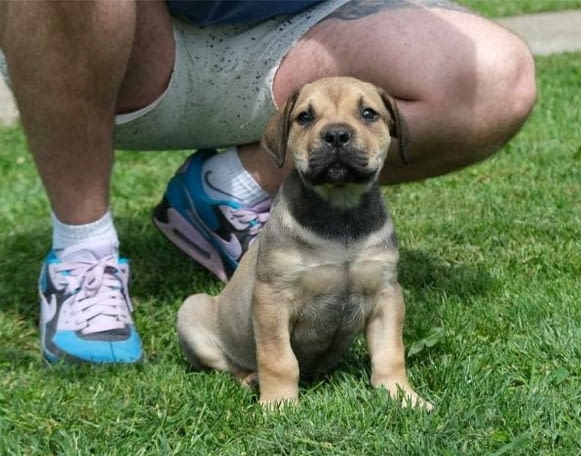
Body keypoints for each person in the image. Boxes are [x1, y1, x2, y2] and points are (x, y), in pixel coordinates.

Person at [0, 0, 536, 364]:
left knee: (496, 75)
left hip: (306, 27)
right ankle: (82, 250)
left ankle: (228, 190)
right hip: (127, 34)